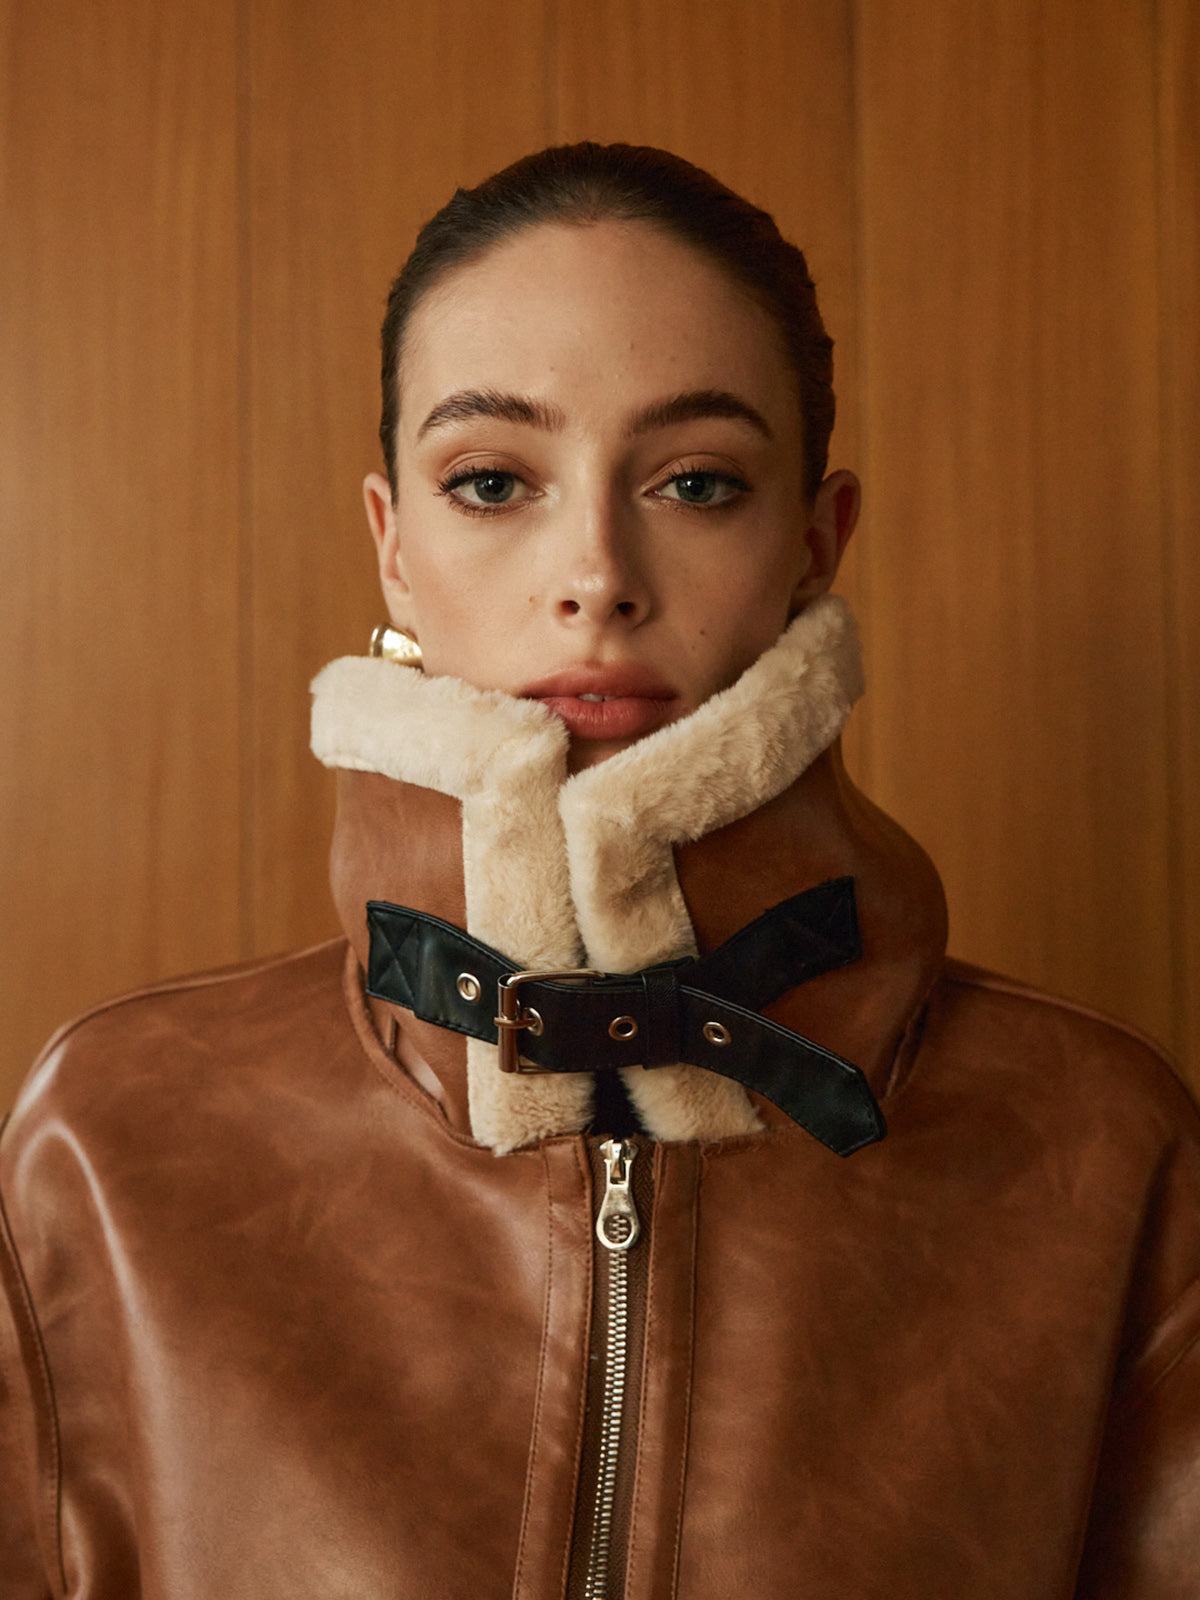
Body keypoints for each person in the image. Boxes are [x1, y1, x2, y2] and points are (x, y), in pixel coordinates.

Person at [2, 142, 1198, 1599]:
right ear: (393, 545)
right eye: (491, 481)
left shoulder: (1101, 1148)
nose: (596, 575)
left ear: (814, 541)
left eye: (696, 481)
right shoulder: (110, 1142)